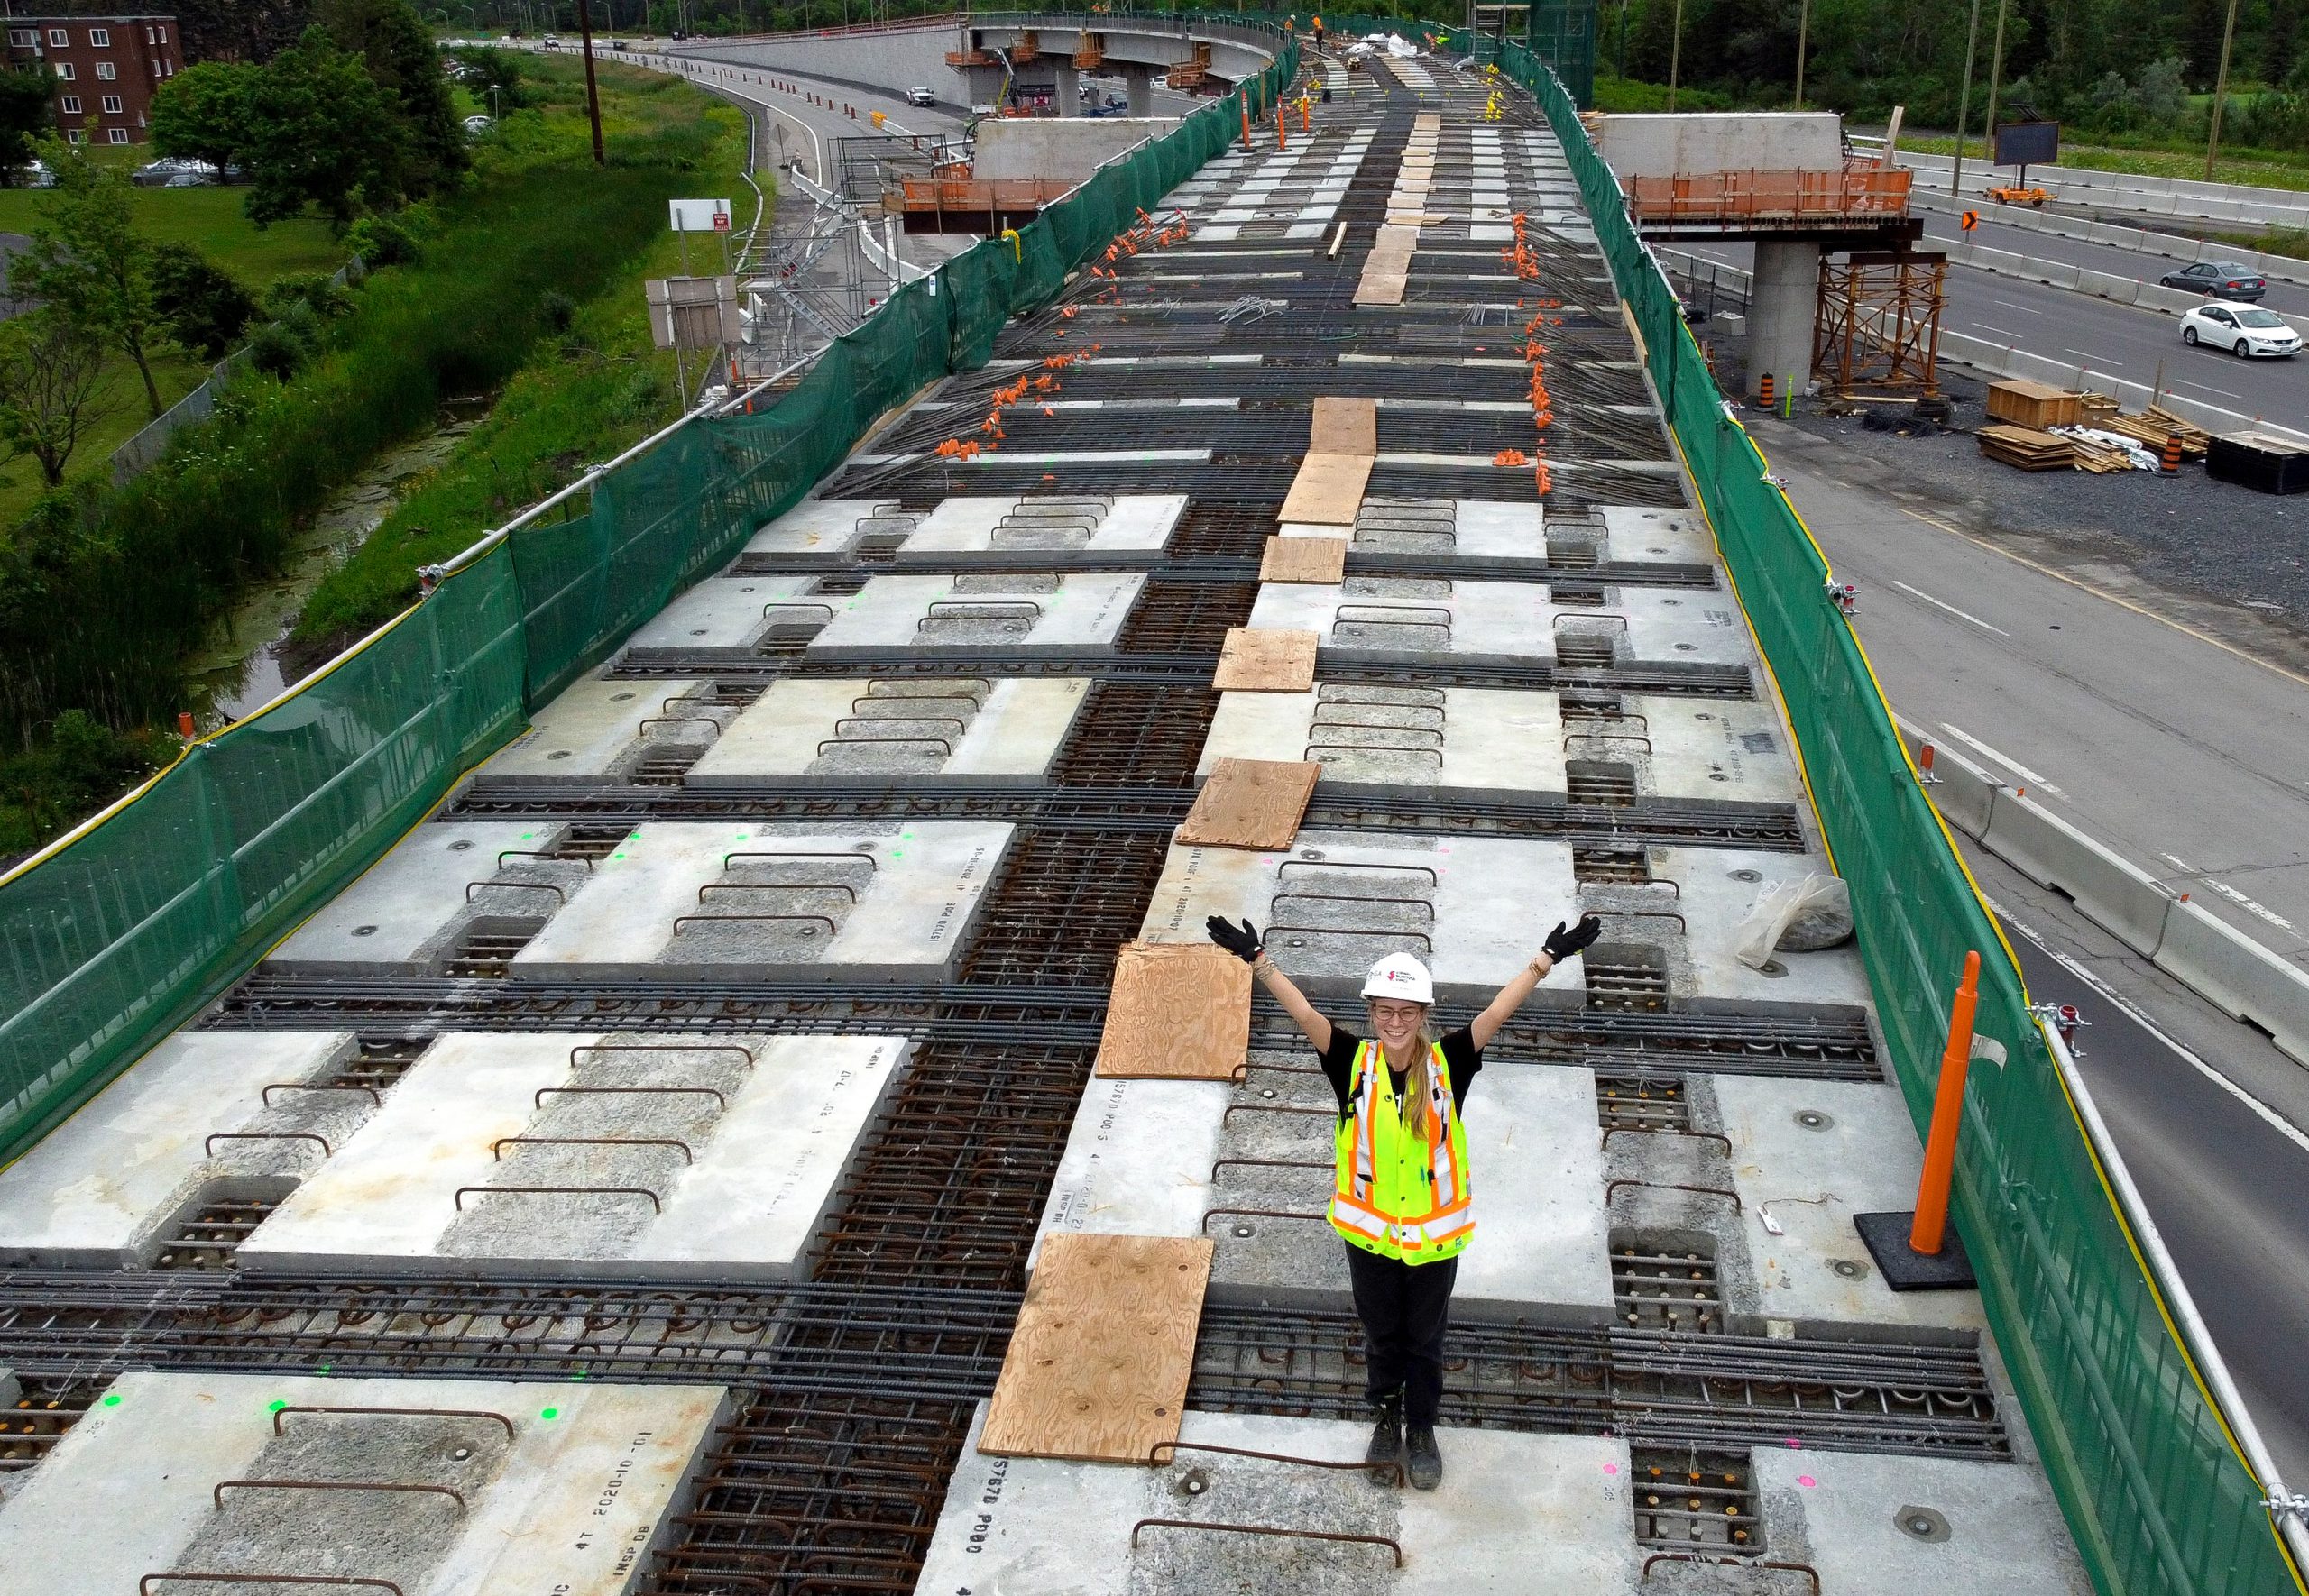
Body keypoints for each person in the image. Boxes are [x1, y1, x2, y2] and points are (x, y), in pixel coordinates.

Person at [1206, 913, 1604, 1490]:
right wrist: (1258, 960)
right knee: (1382, 1336)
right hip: (1369, 1239)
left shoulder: (1448, 1065)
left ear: (1422, 1016)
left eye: (1407, 1012)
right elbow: (1304, 1014)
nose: (1395, 1022)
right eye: (1385, 1012)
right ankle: (1385, 1416)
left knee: (1424, 1338)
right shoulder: (1352, 1065)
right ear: (1372, 1014)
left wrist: (1546, 957)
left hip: (1434, 1241)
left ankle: (1422, 1427)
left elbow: (1496, 1013)